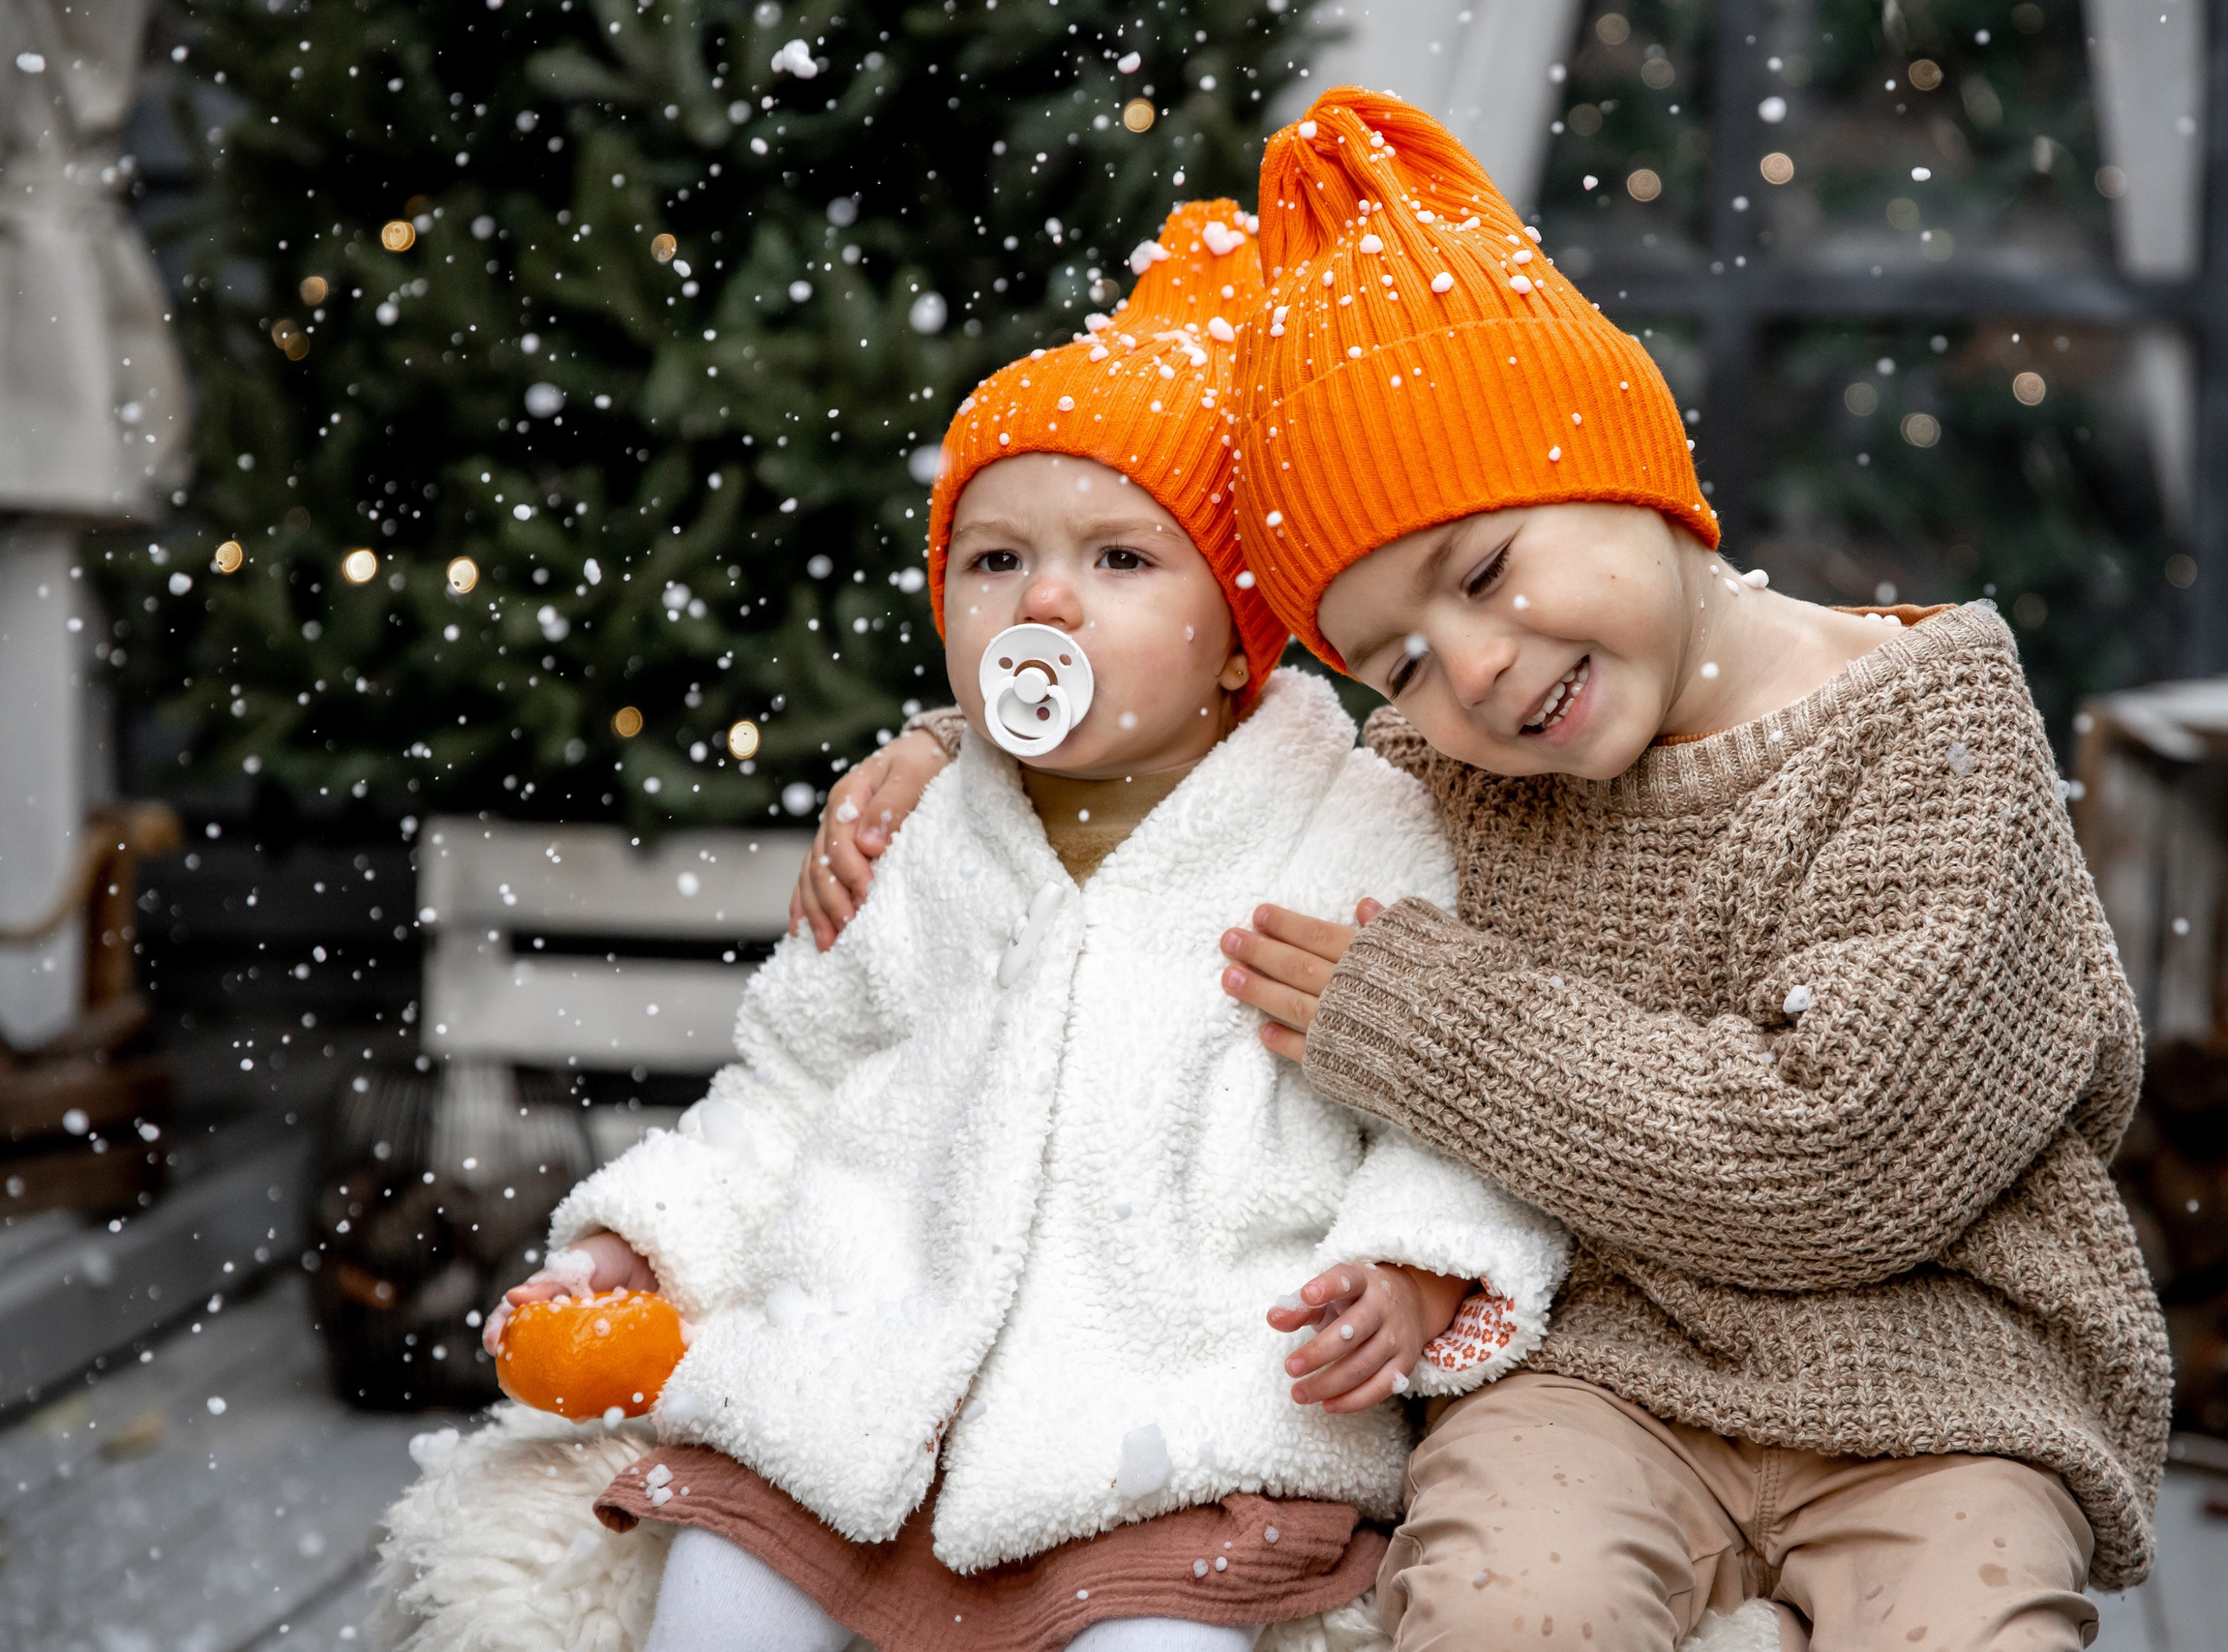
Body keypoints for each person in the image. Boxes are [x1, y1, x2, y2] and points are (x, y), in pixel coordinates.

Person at [792, 93, 2171, 1652]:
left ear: (1635, 471)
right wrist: (960, 755)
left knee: (1967, 1628)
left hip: (1945, 1395)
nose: (1479, 670)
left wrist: (1433, 1026)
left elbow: (1838, 1156)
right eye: (1395, 660)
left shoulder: (1935, 738)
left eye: (1488, 569)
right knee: (1498, 1610)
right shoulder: (1450, 770)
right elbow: (1202, 783)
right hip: (1590, 1385)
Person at [452, 200, 1569, 1652]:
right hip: (867, 1384)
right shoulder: (914, 832)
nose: (1044, 597)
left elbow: (1451, 1099)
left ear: (1240, 632)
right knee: (718, 1608)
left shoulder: (1351, 829)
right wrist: (641, 1254)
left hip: (1179, 1408)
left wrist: (1416, 1273)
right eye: (993, 562)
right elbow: (788, 1087)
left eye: (1120, 561)